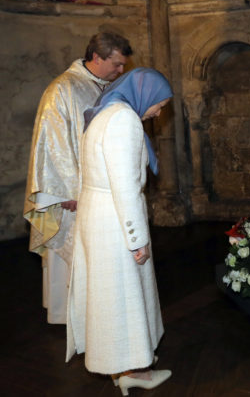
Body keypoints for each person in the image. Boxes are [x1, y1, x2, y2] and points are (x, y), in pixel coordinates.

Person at [66, 68, 173, 395]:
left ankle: (123, 366)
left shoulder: (104, 112)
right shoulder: (124, 119)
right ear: (146, 93)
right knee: (124, 298)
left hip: (97, 216)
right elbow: (124, 186)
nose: (159, 112)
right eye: (159, 103)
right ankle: (134, 372)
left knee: (111, 298)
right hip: (114, 221)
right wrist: (137, 238)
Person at [24, 32, 132, 324]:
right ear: (97, 57)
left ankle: (95, 313)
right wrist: (68, 191)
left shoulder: (104, 86)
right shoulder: (63, 88)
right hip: (74, 196)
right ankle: (69, 315)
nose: (121, 70)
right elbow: (52, 142)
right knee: (72, 255)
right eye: (117, 64)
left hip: (100, 192)